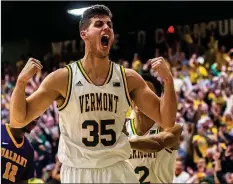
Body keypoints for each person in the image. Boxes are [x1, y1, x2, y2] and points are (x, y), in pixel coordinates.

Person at [9, 4, 177, 183]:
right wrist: (21, 83)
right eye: (98, 24)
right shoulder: (62, 78)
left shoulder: (129, 78)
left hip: (116, 169)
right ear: (84, 34)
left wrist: (168, 80)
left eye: (109, 25)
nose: (106, 27)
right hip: (78, 172)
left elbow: (166, 120)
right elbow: (19, 119)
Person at [125, 73, 182, 183]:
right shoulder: (122, 128)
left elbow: (159, 143)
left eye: (144, 94)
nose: (138, 98)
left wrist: (124, 143)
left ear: (157, 99)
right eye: (134, 93)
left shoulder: (170, 128)